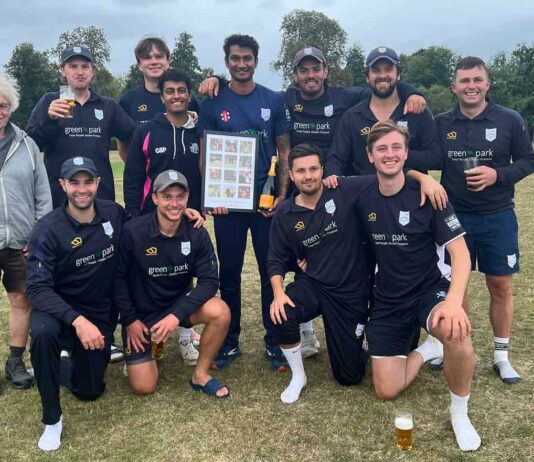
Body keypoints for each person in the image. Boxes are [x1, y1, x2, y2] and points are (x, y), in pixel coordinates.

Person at [200, 46, 428, 359]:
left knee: (353, 259)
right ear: (295, 76)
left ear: (325, 71)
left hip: (336, 190)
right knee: (296, 262)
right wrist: (213, 79)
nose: (310, 75)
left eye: (316, 69)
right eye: (303, 70)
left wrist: (412, 90)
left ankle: (359, 326)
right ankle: (296, 333)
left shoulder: (345, 96)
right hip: (296, 191)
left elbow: (384, 83)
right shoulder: (284, 99)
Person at [268, 143, 446, 404]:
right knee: (282, 313)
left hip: (351, 293)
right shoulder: (285, 212)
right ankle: (298, 376)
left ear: (322, 170)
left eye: (313, 169)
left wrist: (423, 178)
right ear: (292, 175)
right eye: (301, 170)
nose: (308, 176)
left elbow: (388, 174)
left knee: (349, 377)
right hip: (314, 285)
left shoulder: (342, 189)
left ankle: (378, 347)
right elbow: (275, 258)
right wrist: (277, 292)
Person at [406, 57, 534, 383]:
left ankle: (501, 356)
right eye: (464, 81)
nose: (471, 85)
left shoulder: (508, 119)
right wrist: (413, 170)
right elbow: (421, 153)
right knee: (454, 288)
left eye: (477, 79)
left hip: (497, 214)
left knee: (500, 284)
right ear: (454, 87)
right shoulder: (442, 122)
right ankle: (452, 346)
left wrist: (498, 174)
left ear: (487, 84)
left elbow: (528, 159)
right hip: (454, 217)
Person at [355, 121, 480, 451]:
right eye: (381, 148)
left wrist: (453, 303)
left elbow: (462, 255)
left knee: (456, 332)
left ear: (407, 153)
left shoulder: (431, 197)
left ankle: (459, 414)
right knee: (386, 389)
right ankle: (427, 350)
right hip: (388, 300)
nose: (390, 154)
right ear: (370, 156)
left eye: (397, 147)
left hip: (428, 292)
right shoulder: (363, 193)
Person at [197, 34, 292, 371]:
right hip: (229, 205)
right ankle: (230, 338)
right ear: (226, 62)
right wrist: (213, 196)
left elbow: (284, 150)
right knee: (231, 272)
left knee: (271, 271)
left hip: (266, 202)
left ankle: (275, 339)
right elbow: (207, 154)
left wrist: (282, 194)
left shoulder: (273, 100)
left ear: (256, 60)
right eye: (235, 58)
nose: (241, 64)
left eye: (247, 58)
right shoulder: (211, 101)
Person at [27, 157, 128, 451]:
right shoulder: (47, 229)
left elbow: (147, 228)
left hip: (98, 312)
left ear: (97, 183)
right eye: (74, 182)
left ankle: (57, 363)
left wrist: (185, 214)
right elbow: (37, 288)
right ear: (62, 185)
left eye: (87, 182)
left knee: (90, 391)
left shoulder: (114, 213)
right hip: (58, 311)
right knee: (43, 335)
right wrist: (78, 322)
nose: (81, 189)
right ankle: (52, 420)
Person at [114, 170, 231, 398]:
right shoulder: (133, 231)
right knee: (144, 387)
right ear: (155, 198)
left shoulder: (196, 232)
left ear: (188, 198)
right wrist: (130, 320)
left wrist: (175, 317)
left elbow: (209, 281)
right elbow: (118, 279)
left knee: (220, 311)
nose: (174, 204)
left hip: (177, 308)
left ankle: (200, 374)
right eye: (167, 197)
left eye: (180, 197)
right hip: (141, 316)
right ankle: (144, 352)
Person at [124, 69, 202, 365]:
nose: (176, 95)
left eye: (181, 90)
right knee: (144, 277)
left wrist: (201, 208)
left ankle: (184, 338)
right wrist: (133, 217)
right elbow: (132, 177)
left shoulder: (199, 129)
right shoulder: (146, 131)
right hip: (147, 218)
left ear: (189, 94)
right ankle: (141, 335)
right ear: (162, 96)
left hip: (187, 217)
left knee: (184, 275)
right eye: (170, 91)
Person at [26, 45, 136, 208]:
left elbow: (137, 137)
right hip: (59, 200)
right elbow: (31, 146)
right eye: (73, 66)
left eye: (85, 66)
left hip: (101, 199)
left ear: (92, 71)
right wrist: (49, 119)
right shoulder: (52, 101)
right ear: (62, 70)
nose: (80, 72)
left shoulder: (107, 106)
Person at [0, 75, 52, 391]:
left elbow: (42, 193)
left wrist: (37, 236)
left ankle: (16, 361)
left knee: (21, 300)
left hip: (20, 240)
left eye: (3, 105)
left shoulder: (26, 144)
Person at [325, 46, 439, 178]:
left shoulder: (416, 111)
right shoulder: (352, 117)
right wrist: (332, 177)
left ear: (398, 74)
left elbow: (435, 158)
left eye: (389, 69)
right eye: (376, 70)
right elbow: (336, 159)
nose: (382, 75)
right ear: (367, 77)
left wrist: (396, 153)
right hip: (365, 194)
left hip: (411, 193)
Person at [119, 35, 199, 124]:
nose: (154, 62)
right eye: (147, 58)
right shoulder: (128, 100)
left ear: (168, 61)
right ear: (139, 65)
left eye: (159, 57)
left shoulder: (186, 98)